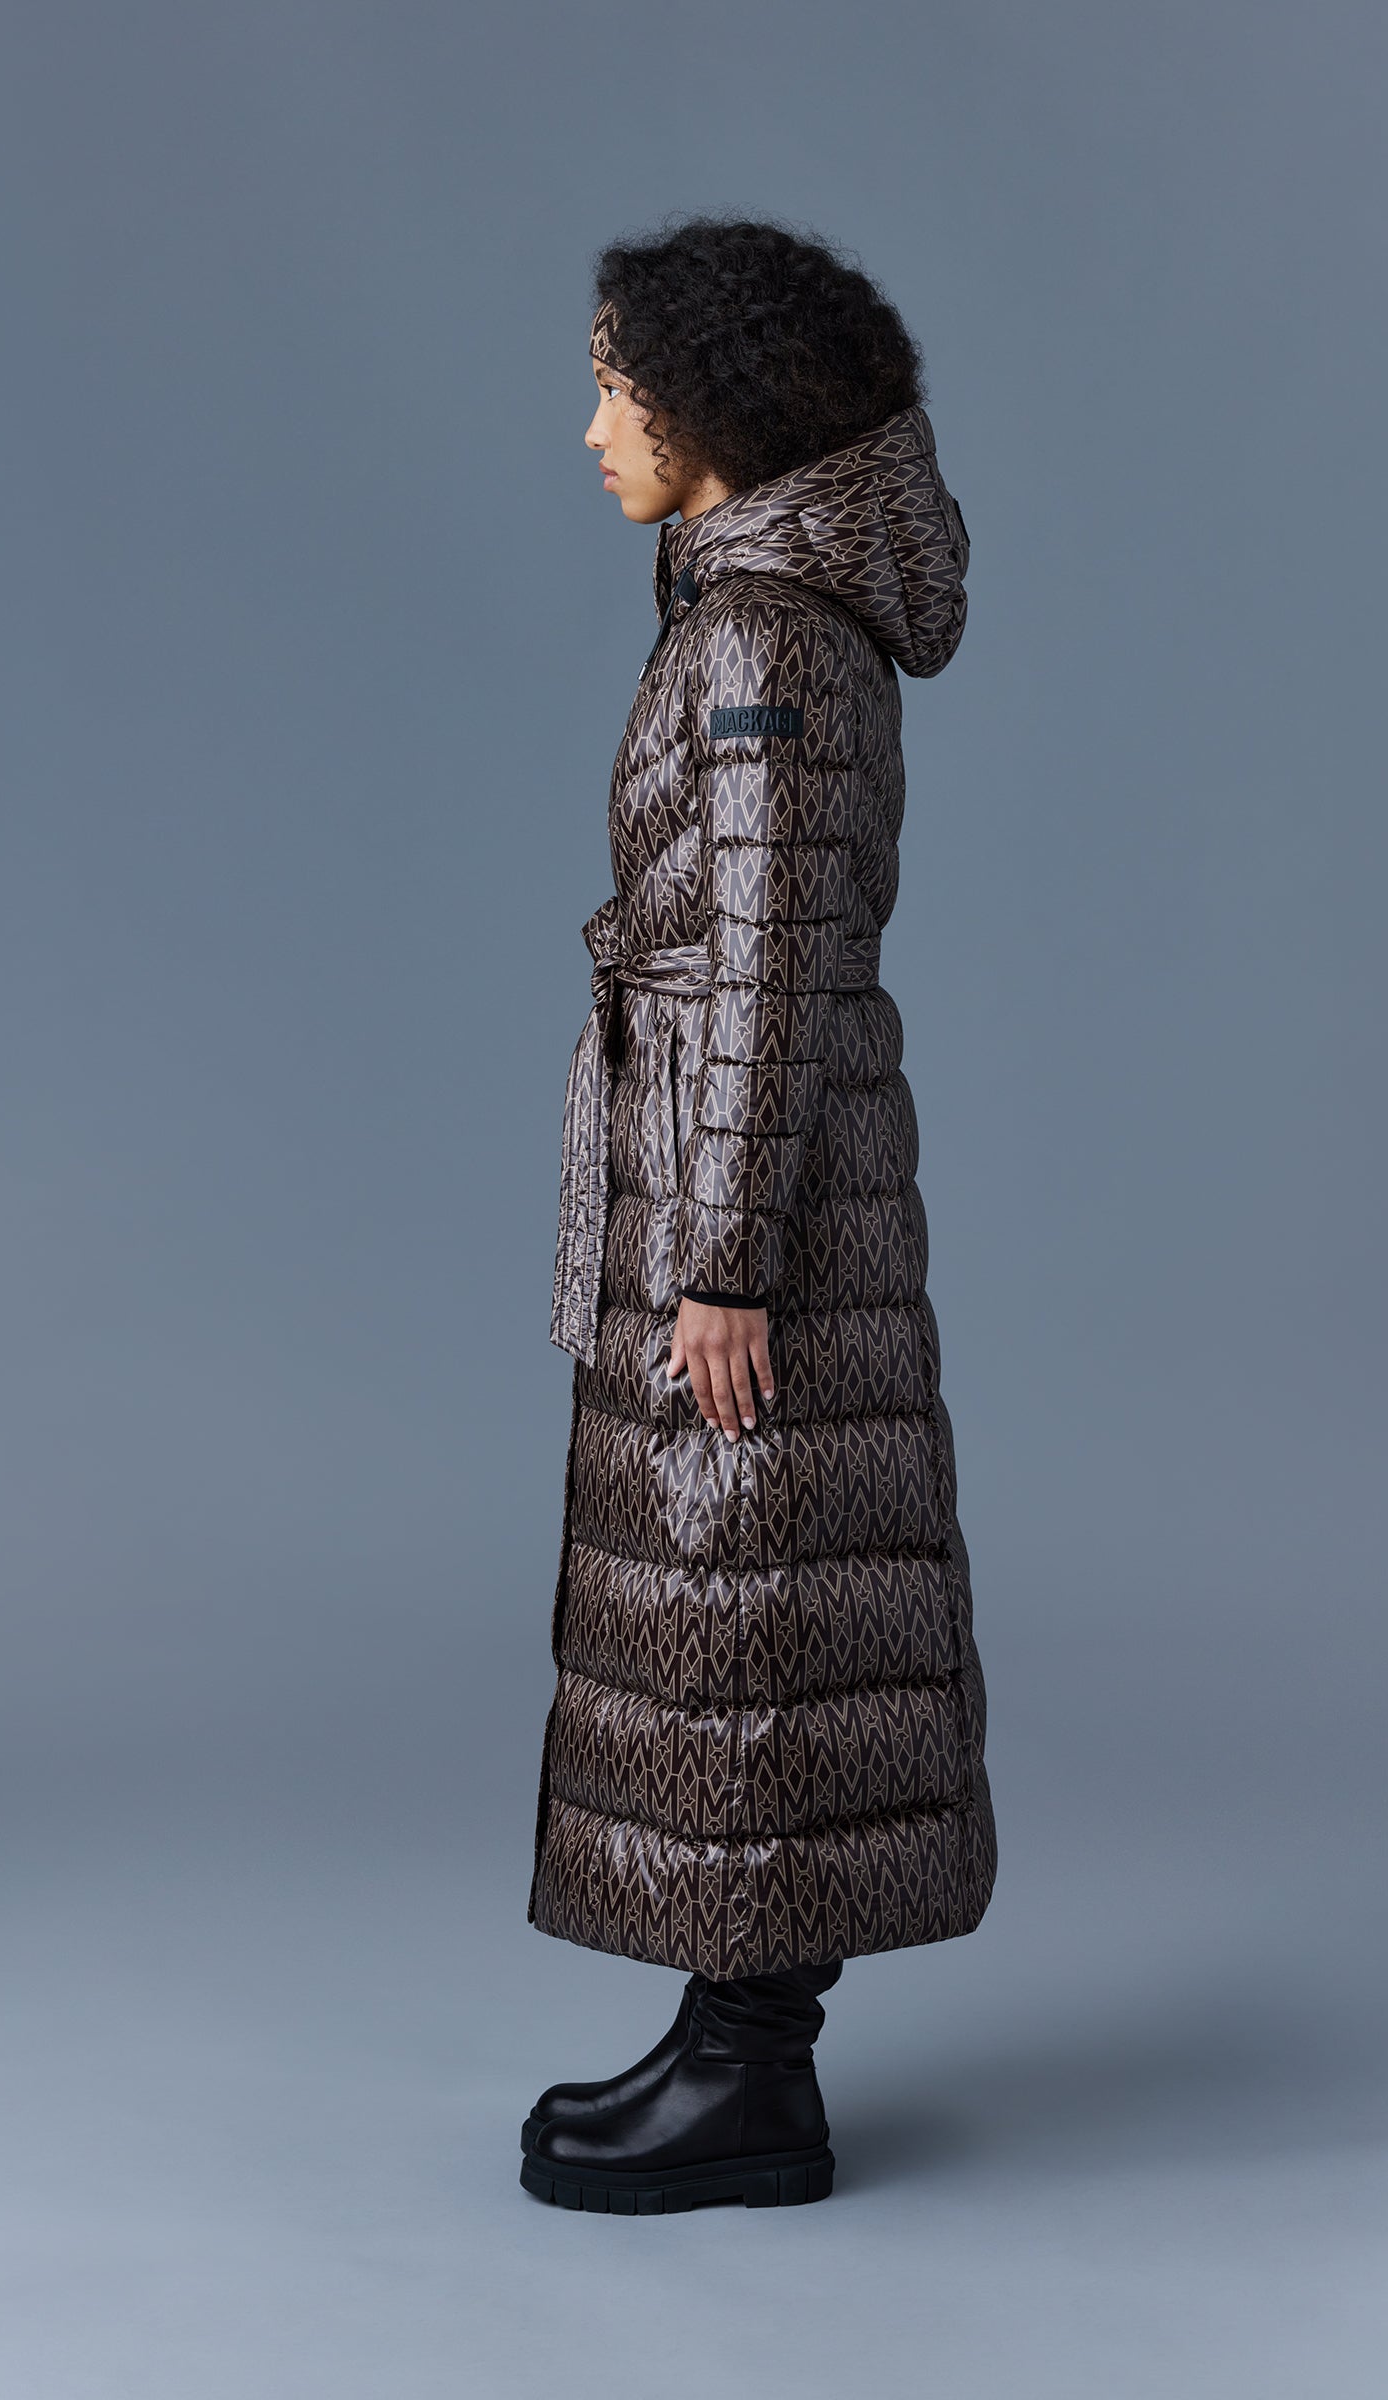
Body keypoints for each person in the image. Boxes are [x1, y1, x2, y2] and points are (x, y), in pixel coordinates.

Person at [523, 217, 997, 2215]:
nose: (590, 431)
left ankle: (748, 2078)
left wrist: (721, 1258)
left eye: (615, 390)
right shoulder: (759, 609)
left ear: (715, 409)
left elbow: (768, 960)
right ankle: (734, 2042)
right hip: (758, 1161)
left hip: (754, 1197)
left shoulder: (756, 638)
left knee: (740, 1604)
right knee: (751, 1603)